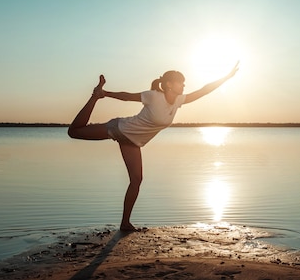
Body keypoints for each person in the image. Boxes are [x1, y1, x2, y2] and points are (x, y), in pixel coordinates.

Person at [68, 63, 239, 231]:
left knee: (136, 180)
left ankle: (125, 223)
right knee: (74, 132)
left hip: (133, 143)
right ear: (170, 84)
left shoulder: (179, 100)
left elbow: (203, 90)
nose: (184, 85)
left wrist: (226, 77)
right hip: (119, 129)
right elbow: (128, 96)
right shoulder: (153, 96)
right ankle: (94, 97)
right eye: (181, 82)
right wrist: (105, 93)